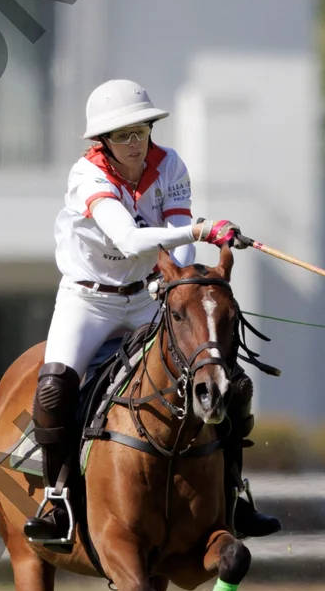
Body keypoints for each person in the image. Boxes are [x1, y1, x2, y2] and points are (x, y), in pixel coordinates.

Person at [23, 79, 281, 550]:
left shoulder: (171, 165)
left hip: (147, 296)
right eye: (122, 135)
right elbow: (129, 239)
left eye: (140, 130)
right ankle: (58, 501)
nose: (134, 142)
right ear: (103, 141)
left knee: (228, 381)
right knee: (55, 388)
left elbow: (178, 238)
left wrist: (182, 278)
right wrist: (204, 230)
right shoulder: (87, 176)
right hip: (88, 302)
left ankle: (234, 496)